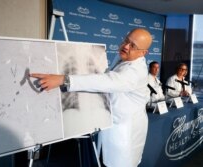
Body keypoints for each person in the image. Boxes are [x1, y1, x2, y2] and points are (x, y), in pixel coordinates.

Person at [29, 28, 152, 167]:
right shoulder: (123, 57)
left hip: (125, 131)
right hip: (111, 123)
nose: (126, 46)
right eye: (126, 40)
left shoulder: (135, 71)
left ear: (143, 53)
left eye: (133, 46)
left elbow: (109, 81)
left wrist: (64, 79)